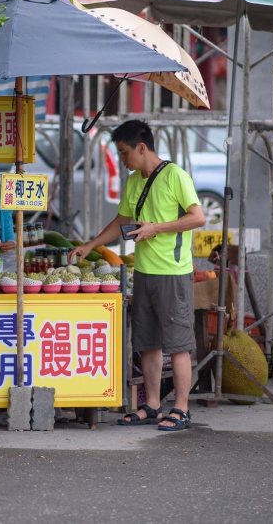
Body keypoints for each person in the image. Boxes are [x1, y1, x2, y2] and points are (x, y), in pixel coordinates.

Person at [69, 119, 205, 432]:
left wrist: (156, 228)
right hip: (143, 272)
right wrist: (90, 244)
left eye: (125, 152)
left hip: (173, 273)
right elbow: (121, 221)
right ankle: (153, 406)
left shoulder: (175, 175)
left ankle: (181, 409)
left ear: (141, 148)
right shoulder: (134, 182)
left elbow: (197, 217)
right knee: (148, 343)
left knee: (178, 344)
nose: (122, 159)